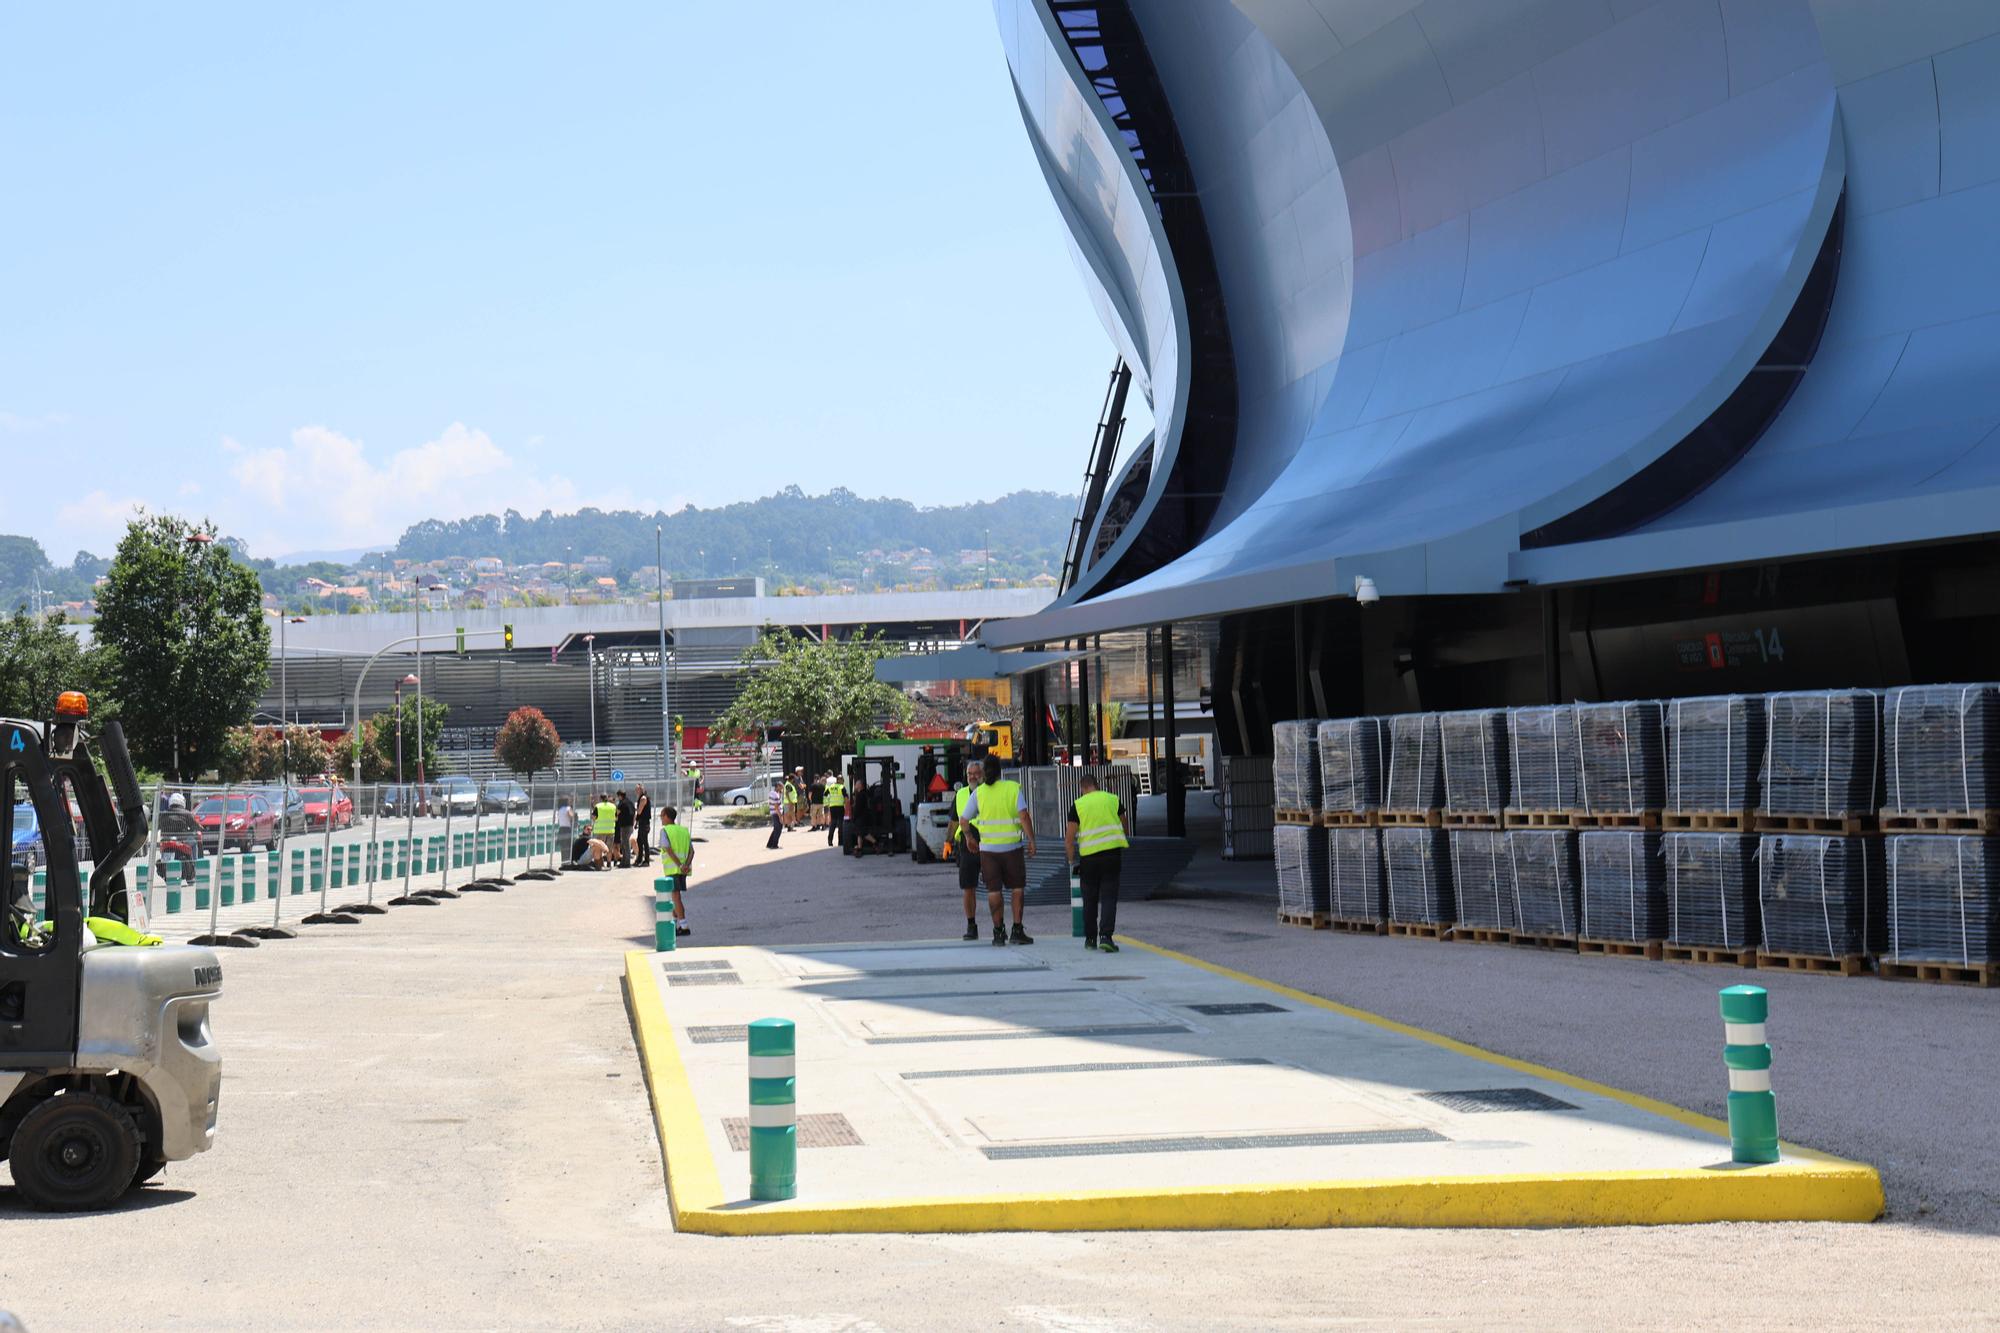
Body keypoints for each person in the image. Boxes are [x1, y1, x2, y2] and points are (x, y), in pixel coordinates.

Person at [960, 764, 1036, 946]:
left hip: (988, 852)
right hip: (1012, 849)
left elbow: (963, 820)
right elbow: (1024, 816)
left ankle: (998, 933)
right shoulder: (1012, 788)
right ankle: (1017, 931)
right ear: (1000, 771)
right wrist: (1032, 840)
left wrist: (969, 837)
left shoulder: (978, 793)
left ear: (984, 774)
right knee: (1017, 889)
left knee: (994, 891)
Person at [1064, 773, 1132, 952]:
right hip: (1111, 856)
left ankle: (1090, 939)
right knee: (1109, 897)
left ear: (1083, 787)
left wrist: (1072, 861)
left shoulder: (1077, 805)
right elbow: (1125, 825)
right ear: (1096, 785)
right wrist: (1121, 838)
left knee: (1090, 899)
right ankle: (1106, 937)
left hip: (1089, 860)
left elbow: (1069, 839)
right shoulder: (1113, 800)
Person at [947, 760, 984, 940]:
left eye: (976, 773)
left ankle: (999, 927)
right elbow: (954, 820)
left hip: (987, 841)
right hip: (966, 845)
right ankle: (971, 925)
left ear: (982, 774)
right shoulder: (961, 794)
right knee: (968, 887)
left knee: (994, 887)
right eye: (970, 774)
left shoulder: (988, 792)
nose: (972, 777)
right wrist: (947, 842)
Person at [658, 804, 694, 937]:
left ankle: (684, 926)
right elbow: (692, 851)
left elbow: (667, 849)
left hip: (674, 869)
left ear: (667, 817)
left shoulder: (665, 831)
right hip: (682, 870)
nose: (661, 819)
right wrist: (686, 865)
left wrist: (679, 865)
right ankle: (675, 924)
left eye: (661, 816)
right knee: (675, 898)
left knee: (676, 897)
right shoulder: (684, 830)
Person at [590, 791, 617, 864]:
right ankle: (608, 863)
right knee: (609, 848)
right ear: (607, 798)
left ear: (600, 799)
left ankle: (599, 863)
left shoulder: (598, 806)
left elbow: (594, 817)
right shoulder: (613, 806)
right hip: (610, 830)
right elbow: (616, 818)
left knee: (599, 848)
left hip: (600, 831)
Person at [823, 769, 847, 847]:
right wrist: (846, 806)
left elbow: (825, 794)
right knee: (840, 825)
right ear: (841, 780)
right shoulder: (842, 787)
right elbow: (846, 798)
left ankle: (830, 841)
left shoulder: (831, 786)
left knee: (833, 824)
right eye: (842, 780)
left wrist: (828, 802)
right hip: (840, 807)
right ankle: (840, 841)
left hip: (832, 807)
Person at [632, 785, 653, 867]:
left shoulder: (643, 798)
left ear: (641, 790)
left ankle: (646, 860)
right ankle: (639, 859)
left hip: (645, 823)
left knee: (644, 842)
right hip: (642, 823)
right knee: (639, 841)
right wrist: (637, 822)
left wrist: (636, 811)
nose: (636, 791)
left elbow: (640, 811)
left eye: (637, 789)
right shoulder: (641, 798)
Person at [613, 790, 633, 868]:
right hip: (630, 825)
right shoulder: (630, 802)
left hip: (624, 826)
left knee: (625, 845)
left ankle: (626, 863)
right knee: (626, 844)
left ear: (620, 796)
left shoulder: (622, 803)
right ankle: (624, 861)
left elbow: (617, 813)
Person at [765, 778, 786, 850]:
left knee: (775, 829)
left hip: (774, 812)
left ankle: (769, 844)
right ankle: (774, 845)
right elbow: (776, 807)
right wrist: (780, 816)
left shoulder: (772, 793)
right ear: (777, 786)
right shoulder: (776, 795)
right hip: (776, 813)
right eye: (781, 787)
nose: (782, 789)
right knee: (778, 829)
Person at [556, 795, 577, 863]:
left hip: (561, 829)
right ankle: (569, 861)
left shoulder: (559, 810)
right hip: (567, 829)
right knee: (569, 846)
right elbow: (571, 816)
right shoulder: (568, 808)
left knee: (563, 847)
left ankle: (563, 861)